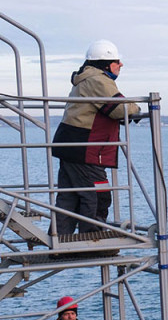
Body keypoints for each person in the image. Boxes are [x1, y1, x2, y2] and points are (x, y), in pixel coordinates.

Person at [51, 40, 140, 236]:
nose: (121, 65)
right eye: (117, 61)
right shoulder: (98, 80)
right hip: (86, 149)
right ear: (106, 63)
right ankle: (92, 238)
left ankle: (59, 237)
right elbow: (119, 108)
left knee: (70, 196)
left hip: (72, 145)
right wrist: (137, 108)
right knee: (98, 195)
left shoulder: (86, 79)